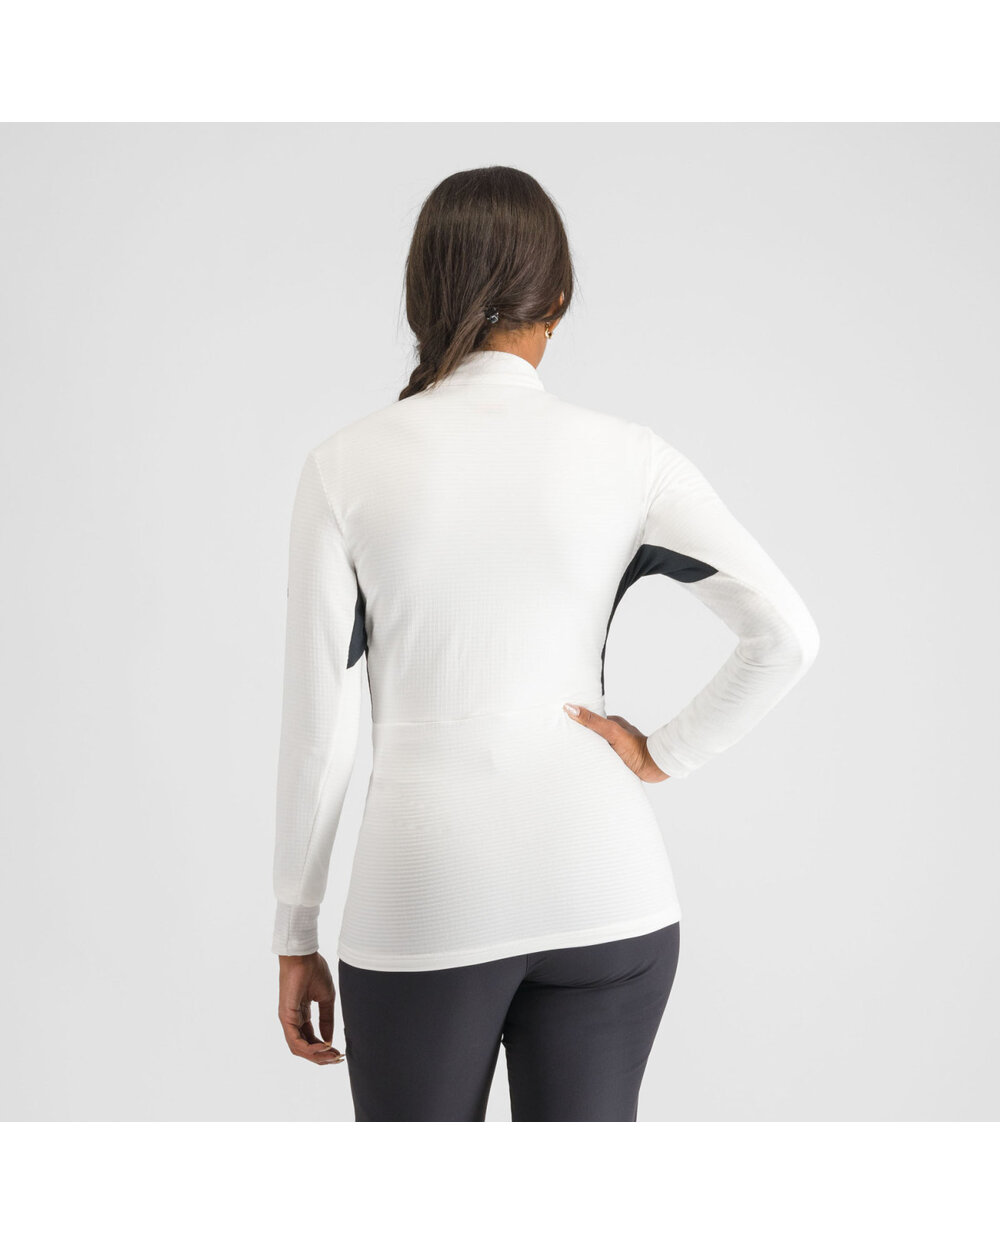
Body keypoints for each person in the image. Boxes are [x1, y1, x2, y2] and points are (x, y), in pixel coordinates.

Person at [270, 165, 820, 1122]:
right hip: (608, 889)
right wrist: (663, 752)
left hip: (426, 894)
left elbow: (322, 731)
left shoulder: (345, 465)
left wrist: (295, 928)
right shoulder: (632, 457)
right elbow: (786, 634)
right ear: (558, 297)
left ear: (422, 295)